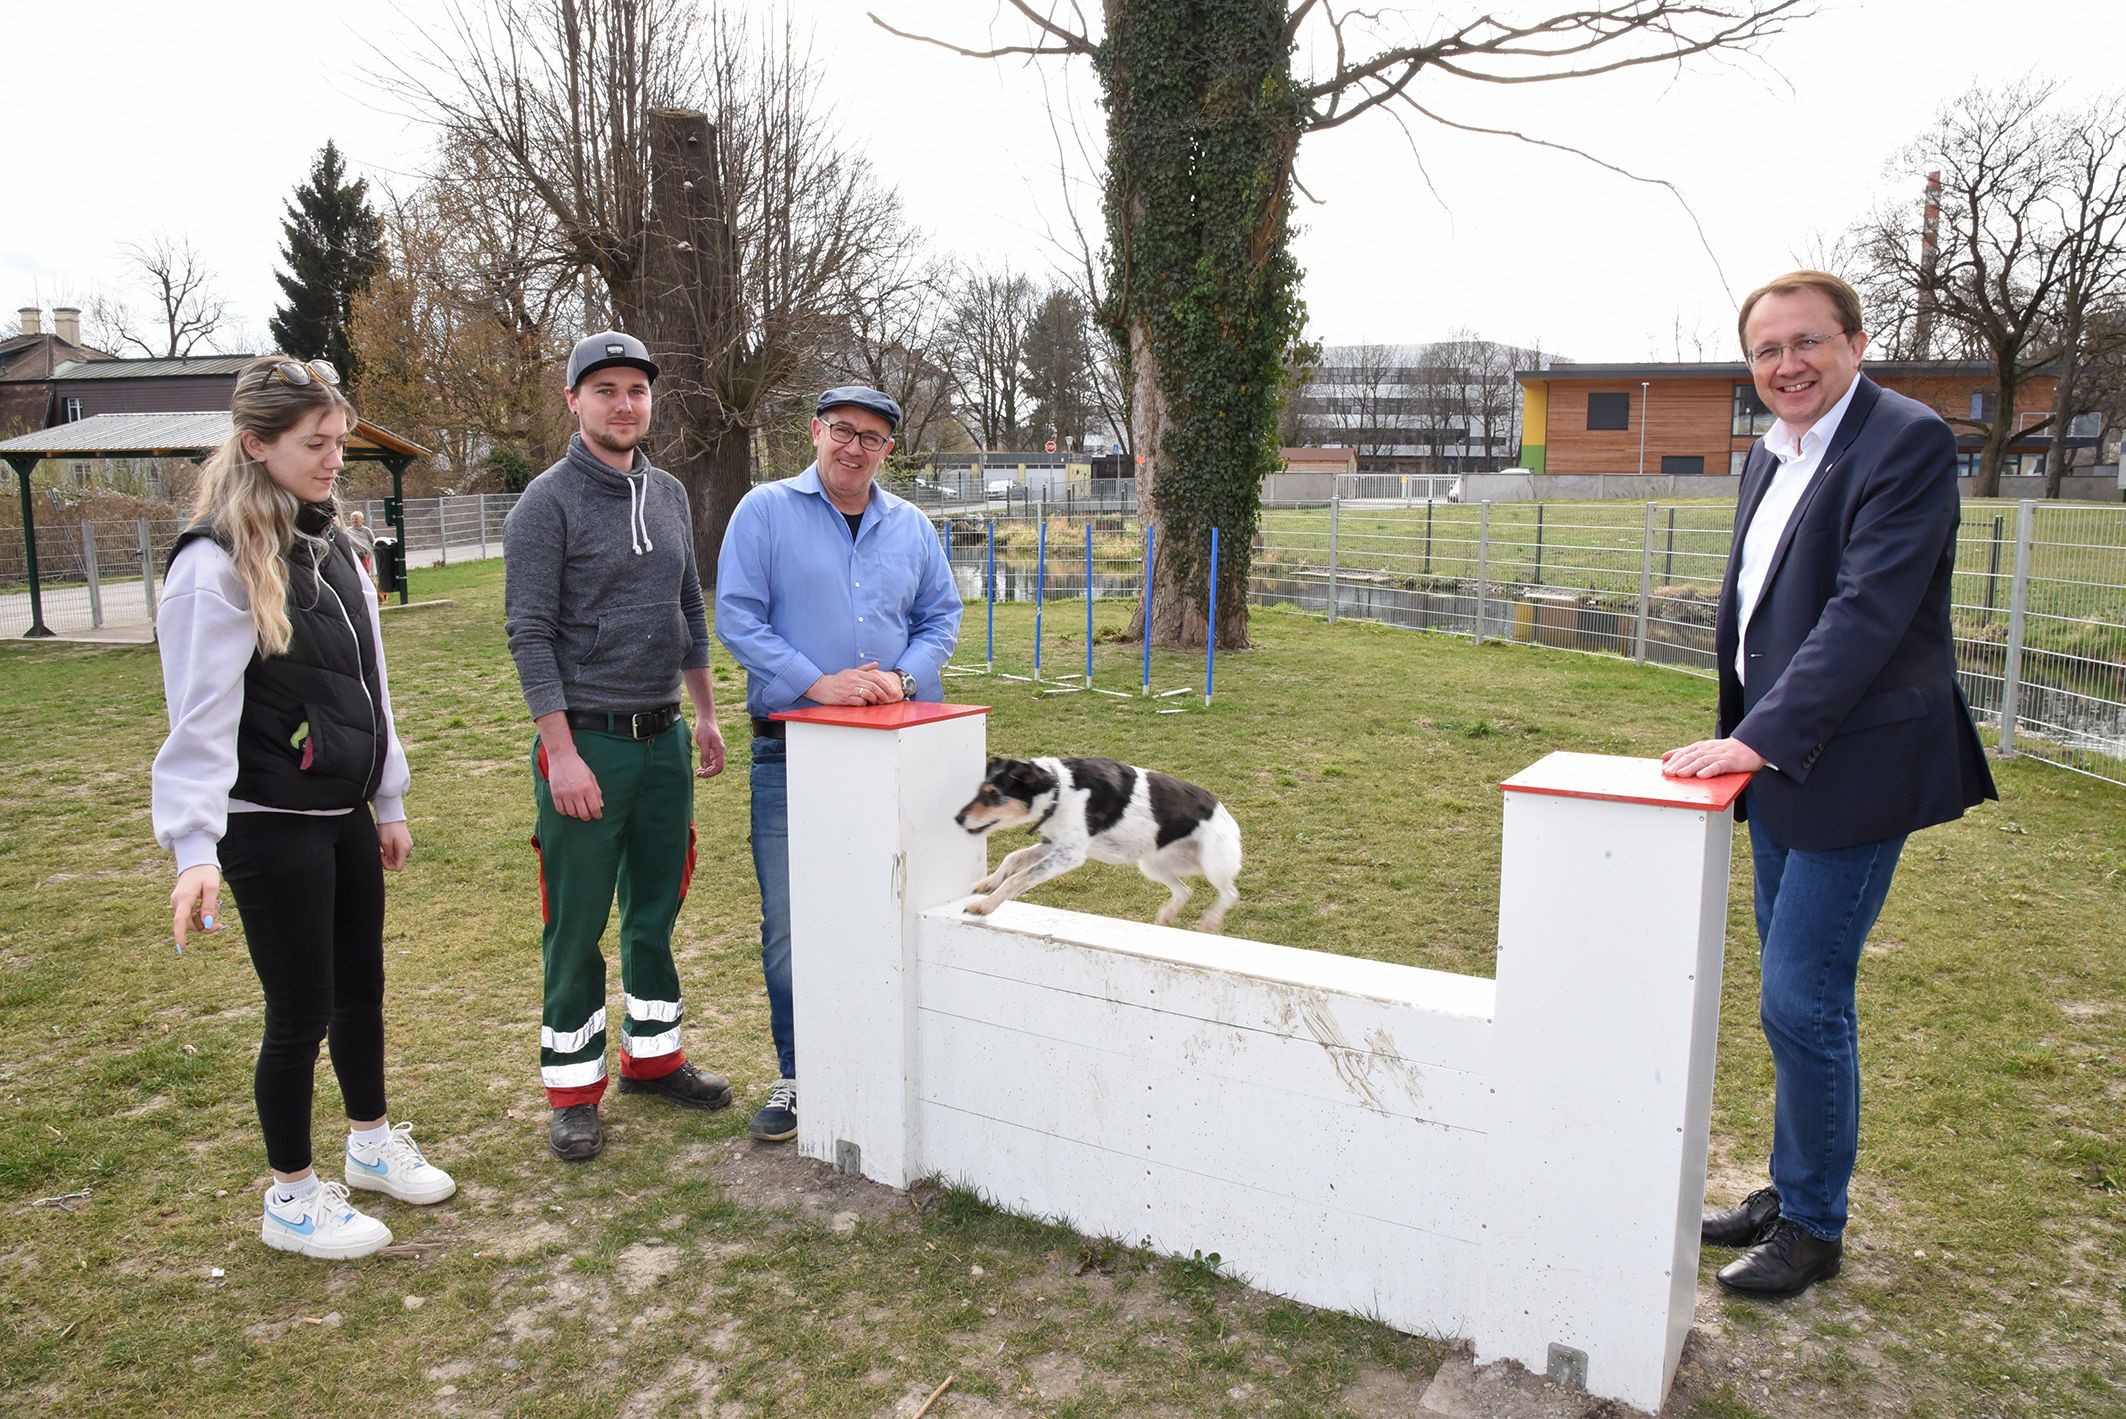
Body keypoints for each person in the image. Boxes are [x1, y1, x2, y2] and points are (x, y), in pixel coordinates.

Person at [1663, 271, 1997, 1299]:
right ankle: (1786, 1189)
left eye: (1806, 343)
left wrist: (1756, 740)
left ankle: (1811, 1223)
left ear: (1855, 342)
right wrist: (1747, 737)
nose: (1785, 366)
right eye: (1765, 351)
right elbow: (1762, 608)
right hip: (1778, 767)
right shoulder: (1770, 456)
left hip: (1856, 767)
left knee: (1799, 999)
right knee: (1790, 1000)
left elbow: (1865, 612)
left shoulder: (1899, 441)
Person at [152, 355, 455, 1261]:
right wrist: (194, 847)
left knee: (362, 988)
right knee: (300, 1012)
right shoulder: (213, 565)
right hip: (265, 821)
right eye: (315, 444)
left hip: (345, 816)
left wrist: (388, 796)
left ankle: (369, 1143)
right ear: (257, 443)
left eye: (339, 442)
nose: (334, 459)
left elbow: (373, 683)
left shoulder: (336, 546)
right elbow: (197, 721)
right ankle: (290, 1199)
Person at [503, 330, 733, 1162]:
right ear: (574, 400)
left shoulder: (669, 492)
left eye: (636, 389)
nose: (623, 403)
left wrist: (703, 714)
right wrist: (561, 753)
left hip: (663, 736)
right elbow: (529, 634)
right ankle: (573, 1090)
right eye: (604, 389)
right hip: (587, 745)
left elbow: (689, 611)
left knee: (654, 910)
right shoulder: (545, 504)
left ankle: (654, 1056)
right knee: (575, 923)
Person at [715, 386, 962, 1143]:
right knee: (792, 921)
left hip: (894, 753)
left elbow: (940, 616)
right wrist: (812, 682)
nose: (855, 447)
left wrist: (906, 676)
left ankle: (899, 1065)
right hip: (791, 750)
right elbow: (736, 614)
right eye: (843, 431)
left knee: (898, 904)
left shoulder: (912, 527)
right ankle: (800, 1074)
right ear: (816, 432)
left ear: (889, 450)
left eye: (873, 438)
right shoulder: (763, 512)